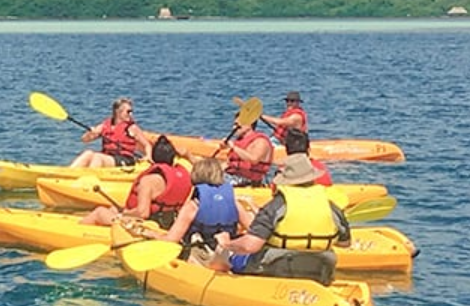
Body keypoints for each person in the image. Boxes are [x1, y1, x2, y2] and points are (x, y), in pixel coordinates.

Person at [222, 152, 351, 285]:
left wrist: (227, 244)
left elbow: (250, 246)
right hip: (320, 268)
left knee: (233, 257)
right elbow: (345, 243)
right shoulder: (331, 206)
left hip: (277, 267)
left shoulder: (277, 206)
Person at [142, 157, 257, 266]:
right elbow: (254, 231)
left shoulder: (193, 206)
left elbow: (171, 240)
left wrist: (151, 234)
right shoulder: (233, 202)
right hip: (228, 254)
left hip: (202, 258)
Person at [80, 135, 192, 229]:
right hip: (169, 223)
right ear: (172, 158)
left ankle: (79, 231)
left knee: (100, 211)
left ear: (153, 158)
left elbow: (143, 213)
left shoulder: (148, 181)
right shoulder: (183, 175)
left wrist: (124, 213)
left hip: (147, 225)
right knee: (112, 209)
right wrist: (188, 155)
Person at [69, 97, 152, 168]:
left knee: (97, 157)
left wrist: (148, 156)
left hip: (125, 159)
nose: (131, 114)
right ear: (118, 112)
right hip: (108, 157)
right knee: (88, 153)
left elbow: (147, 145)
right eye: (128, 111)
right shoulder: (104, 125)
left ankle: (89, 179)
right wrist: (91, 133)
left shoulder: (132, 128)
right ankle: (68, 173)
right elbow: (84, 140)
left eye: (131, 111)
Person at [223, 118, 274, 187]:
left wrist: (233, 147)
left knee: (210, 180)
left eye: (237, 125)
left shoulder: (260, 141)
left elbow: (254, 159)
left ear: (249, 125)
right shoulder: (240, 140)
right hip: (234, 175)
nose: (234, 127)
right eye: (234, 124)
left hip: (250, 179)